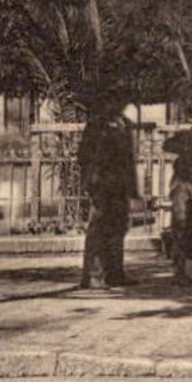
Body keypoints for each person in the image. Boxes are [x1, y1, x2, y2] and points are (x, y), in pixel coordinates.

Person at [78, 93, 140, 290]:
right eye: (114, 99)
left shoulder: (126, 124)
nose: (119, 103)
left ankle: (115, 273)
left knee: (119, 227)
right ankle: (93, 275)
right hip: (102, 184)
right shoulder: (97, 124)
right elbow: (84, 155)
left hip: (120, 184)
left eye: (122, 99)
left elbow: (129, 159)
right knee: (99, 228)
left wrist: (133, 189)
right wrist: (91, 183)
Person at [162, 126, 192, 285]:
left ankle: (183, 271)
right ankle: (178, 272)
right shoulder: (184, 160)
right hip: (182, 191)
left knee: (188, 231)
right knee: (181, 229)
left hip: (188, 191)